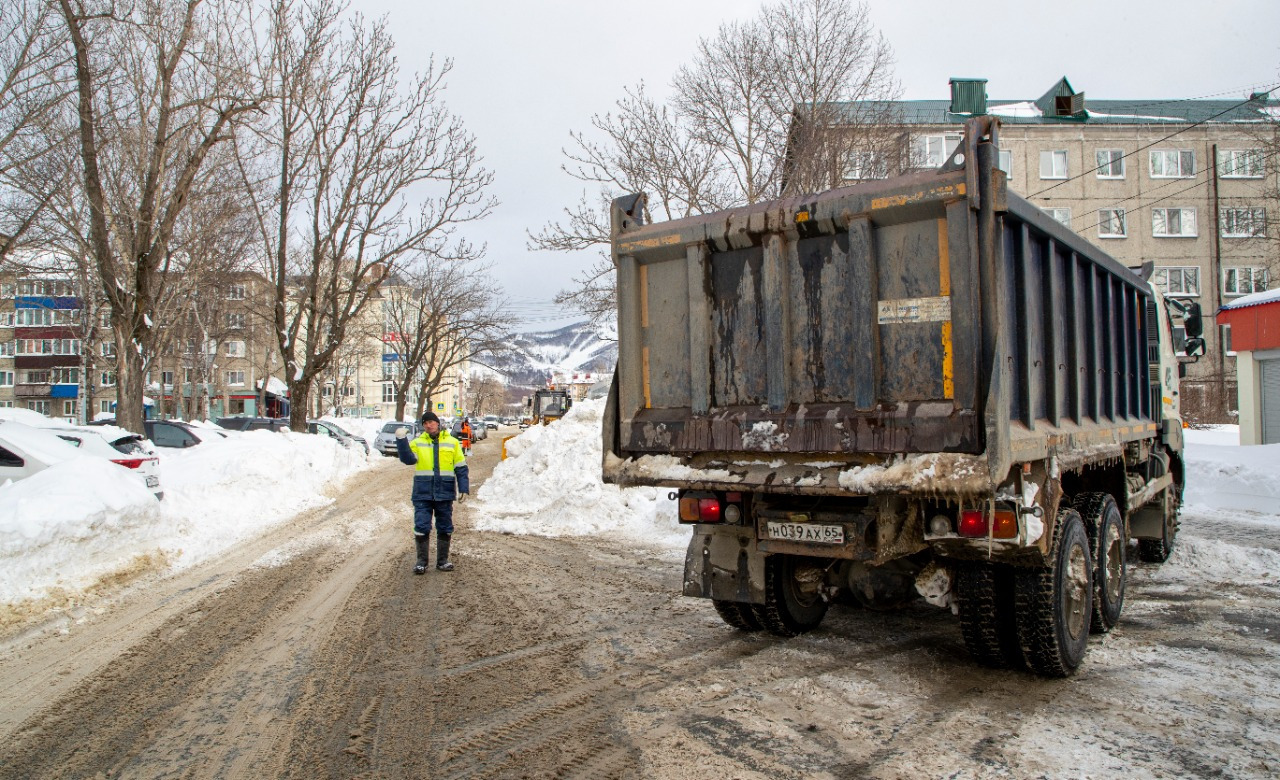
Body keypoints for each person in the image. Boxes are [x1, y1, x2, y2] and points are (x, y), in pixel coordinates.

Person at [395, 411, 468, 574]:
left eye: (431, 422)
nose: (429, 425)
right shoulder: (418, 442)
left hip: (445, 491)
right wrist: (401, 441)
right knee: (421, 526)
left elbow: (461, 468)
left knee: (445, 526)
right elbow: (408, 459)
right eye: (425, 423)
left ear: (438, 423)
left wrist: (464, 488)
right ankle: (421, 562)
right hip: (423, 492)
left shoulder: (452, 443)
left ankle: (442, 561)